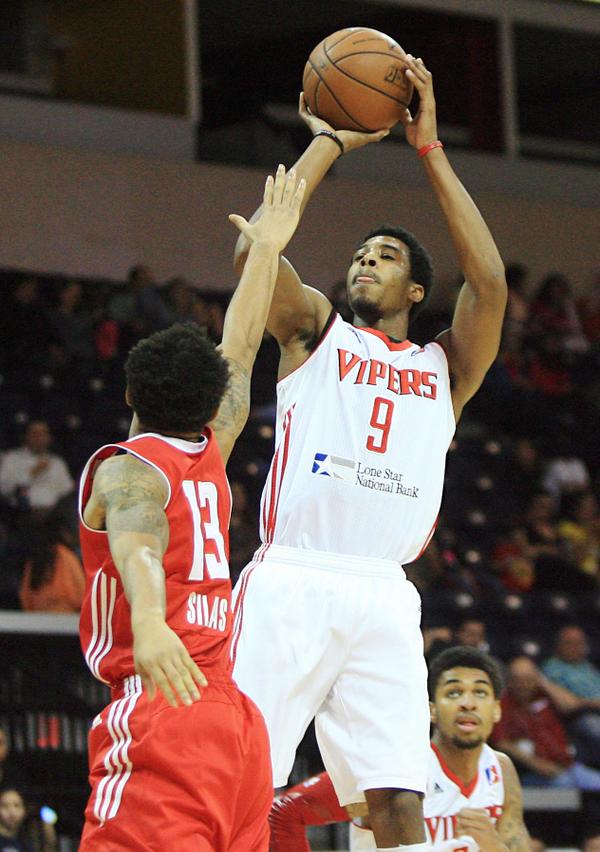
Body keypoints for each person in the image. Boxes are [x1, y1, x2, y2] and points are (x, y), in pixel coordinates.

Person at [231, 55, 507, 850]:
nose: (364, 261)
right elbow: (257, 257)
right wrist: (330, 142)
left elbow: (490, 285)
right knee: (241, 777)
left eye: (385, 255)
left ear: (417, 291)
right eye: (360, 253)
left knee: (396, 798)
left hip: (385, 593)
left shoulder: (445, 367)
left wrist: (430, 151)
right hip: (294, 577)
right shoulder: (316, 331)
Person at [77, 166, 306, 850]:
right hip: (236, 724)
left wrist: (149, 623)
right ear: (210, 401)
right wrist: (266, 250)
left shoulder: (128, 470)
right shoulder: (215, 444)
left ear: (129, 395)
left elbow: (138, 545)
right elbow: (241, 344)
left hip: (164, 707)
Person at [269, 647, 530, 850]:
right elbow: (283, 812)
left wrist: (494, 845)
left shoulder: (500, 769)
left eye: (480, 693)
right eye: (453, 692)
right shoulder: (396, 766)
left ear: (497, 710)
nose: (468, 703)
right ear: (431, 710)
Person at [492, 656, 600, 790]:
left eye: (528, 679)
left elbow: (571, 705)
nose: (523, 685)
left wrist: (543, 683)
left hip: (569, 766)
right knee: (565, 785)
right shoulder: (503, 705)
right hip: (531, 773)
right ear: (509, 681)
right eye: (518, 680)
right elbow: (501, 742)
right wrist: (536, 764)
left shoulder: (545, 696)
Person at [542, 625, 600, 768]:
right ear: (559, 646)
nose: (576, 648)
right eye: (570, 643)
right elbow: (568, 705)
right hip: (580, 718)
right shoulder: (553, 668)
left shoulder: (587, 667)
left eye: (580, 643)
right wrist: (592, 703)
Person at [0, 421, 73, 515]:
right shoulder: (12, 458)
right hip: (22, 513)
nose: (39, 438)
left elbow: (67, 490)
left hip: (54, 514)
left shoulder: (57, 462)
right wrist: (32, 473)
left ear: (49, 438)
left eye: (43, 434)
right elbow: (4, 488)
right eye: (34, 433)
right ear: (26, 436)